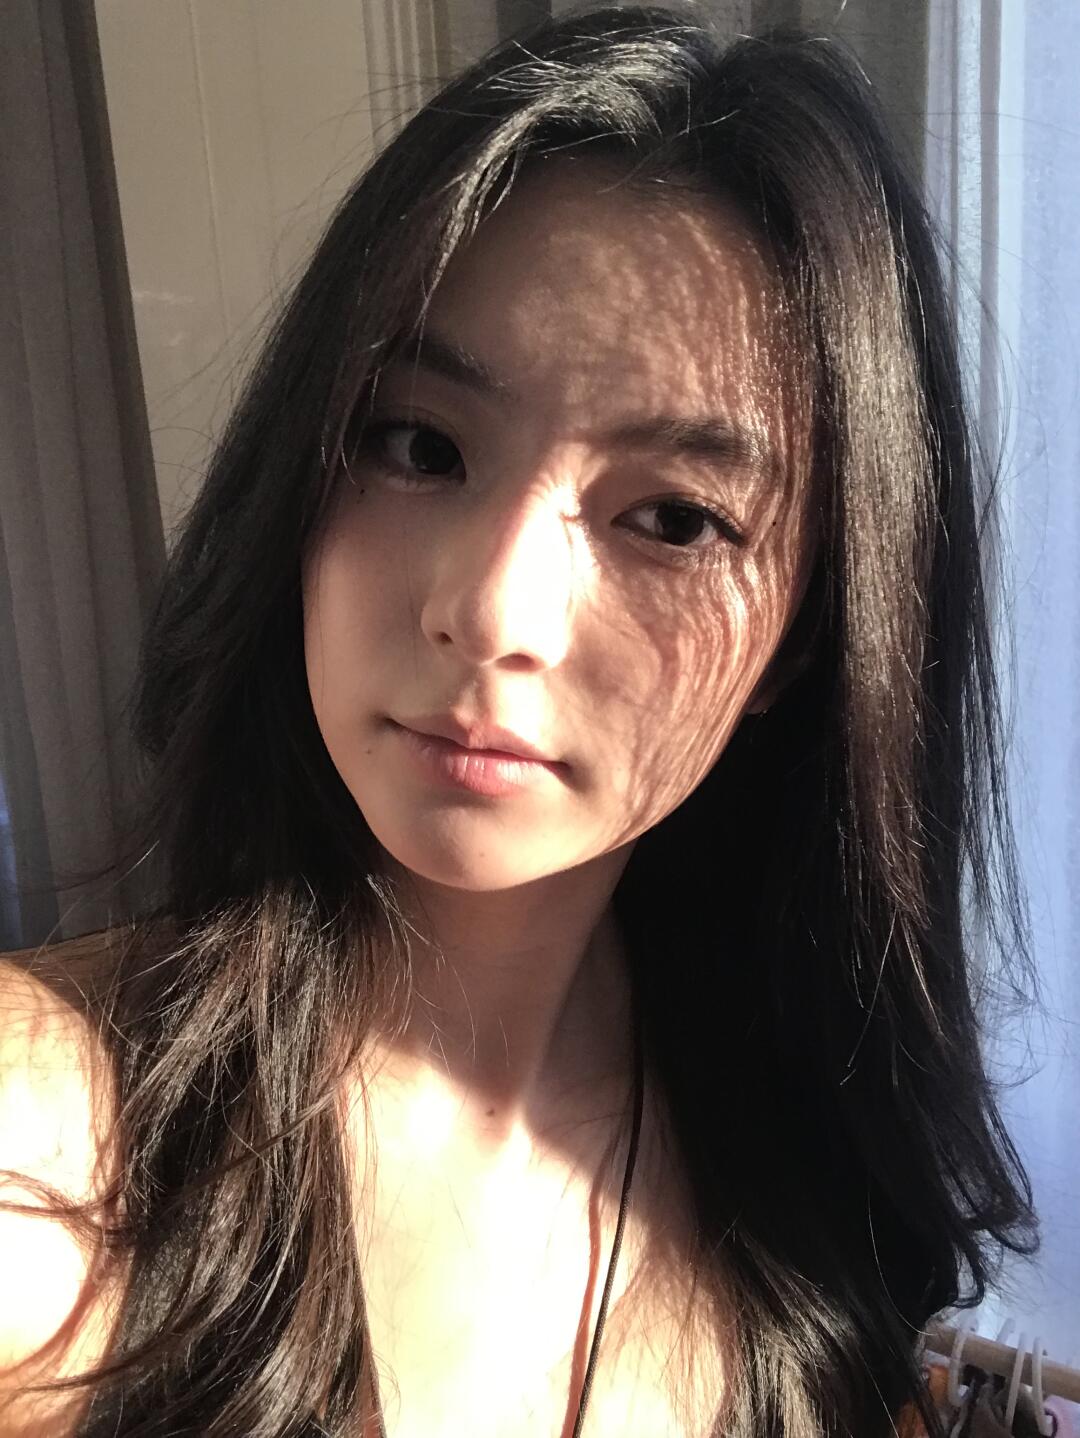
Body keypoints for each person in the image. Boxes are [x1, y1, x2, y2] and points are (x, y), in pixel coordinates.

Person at [0, 3, 1039, 1436]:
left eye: (674, 519)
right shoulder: (52, 1146)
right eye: (419, 444)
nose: (492, 611)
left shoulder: (804, 1161)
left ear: (804, 636)